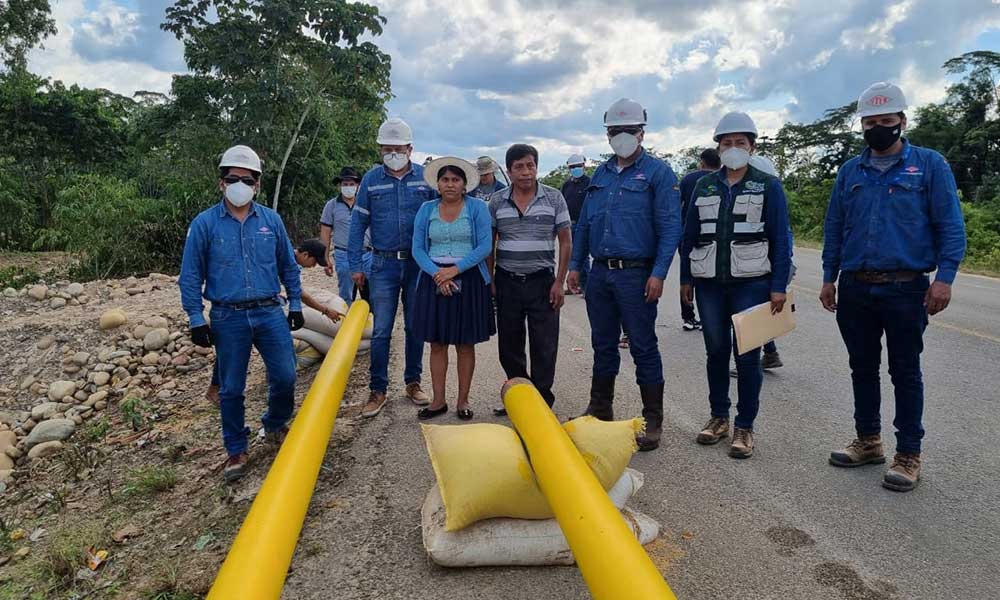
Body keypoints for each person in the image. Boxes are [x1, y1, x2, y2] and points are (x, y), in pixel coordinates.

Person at [821, 82, 966, 492]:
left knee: (905, 370)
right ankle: (868, 441)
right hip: (855, 286)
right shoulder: (851, 171)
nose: (878, 128)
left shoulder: (929, 165)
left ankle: (909, 454)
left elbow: (950, 224)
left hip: (906, 287)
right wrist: (829, 277)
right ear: (862, 125)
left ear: (902, 121)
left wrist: (945, 279)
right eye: (870, 122)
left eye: (886, 121)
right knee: (861, 368)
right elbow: (835, 227)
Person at [179, 145, 303, 482]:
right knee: (231, 388)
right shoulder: (204, 224)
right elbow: (190, 275)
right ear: (221, 183)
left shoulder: (271, 221)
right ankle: (236, 448)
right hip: (227, 317)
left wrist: (295, 305)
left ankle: (275, 423)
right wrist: (195, 318)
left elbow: (288, 267)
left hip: (268, 312)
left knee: (286, 375)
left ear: (257, 185)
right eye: (232, 178)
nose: (239, 185)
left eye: (246, 180)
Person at [567, 98, 682, 451]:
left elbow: (670, 226)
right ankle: (600, 407)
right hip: (600, 273)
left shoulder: (659, 174)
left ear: (642, 132)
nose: (621, 137)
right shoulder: (600, 174)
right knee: (603, 344)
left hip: (637, 274)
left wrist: (659, 272)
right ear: (607, 135)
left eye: (628, 130)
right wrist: (575, 265)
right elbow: (585, 223)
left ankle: (652, 420)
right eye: (614, 131)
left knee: (643, 345)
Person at [679, 112, 792, 459]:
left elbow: (780, 238)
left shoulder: (767, 185)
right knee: (715, 351)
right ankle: (718, 417)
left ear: (752, 146)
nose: (732, 148)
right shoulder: (704, 184)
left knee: (747, 356)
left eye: (739, 143)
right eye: (726, 143)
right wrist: (685, 278)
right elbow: (690, 234)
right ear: (718, 147)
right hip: (710, 284)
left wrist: (778, 285)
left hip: (753, 284)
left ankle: (745, 426)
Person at [349, 118, 435, 417]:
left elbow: (441, 216)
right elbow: (358, 223)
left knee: (415, 327)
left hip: (418, 264)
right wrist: (356, 264)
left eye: (398, 149)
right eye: (387, 149)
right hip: (382, 264)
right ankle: (378, 390)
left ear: (410, 149)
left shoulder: (426, 178)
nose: (392, 154)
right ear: (380, 149)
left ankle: (413, 382)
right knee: (382, 330)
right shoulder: (371, 181)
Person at [205, 238, 347, 403]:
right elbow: (301, 294)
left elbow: (296, 290)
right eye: (315, 262)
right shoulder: (282, 258)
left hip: (264, 307)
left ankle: (274, 379)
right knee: (231, 348)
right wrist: (324, 310)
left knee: (272, 342)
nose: (314, 266)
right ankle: (215, 388)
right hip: (240, 305)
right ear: (306, 255)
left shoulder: (290, 261)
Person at [489, 144, 572, 415]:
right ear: (510, 171)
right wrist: (490, 278)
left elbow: (566, 241)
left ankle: (542, 401)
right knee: (509, 346)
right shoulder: (498, 201)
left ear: (537, 166)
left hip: (542, 282)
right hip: (507, 281)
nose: (526, 172)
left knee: (544, 345)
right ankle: (520, 396)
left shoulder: (554, 197)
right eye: (519, 167)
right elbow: (490, 242)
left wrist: (559, 282)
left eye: (530, 165)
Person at [411, 157, 496, 420]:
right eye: (445, 179)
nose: (450, 184)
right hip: (433, 278)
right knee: (437, 343)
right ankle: (438, 401)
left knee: (464, 343)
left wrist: (455, 270)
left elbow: (484, 246)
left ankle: (463, 401)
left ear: (464, 184)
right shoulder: (426, 209)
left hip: (468, 280)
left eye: (455, 180)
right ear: (438, 184)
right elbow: (417, 248)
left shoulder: (478, 208)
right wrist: (439, 274)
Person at [676, 148, 721, 331]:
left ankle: (688, 317)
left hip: (690, 236)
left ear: (702, 162)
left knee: (688, 276)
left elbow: (678, 207)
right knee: (710, 279)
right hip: (716, 239)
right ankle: (710, 318)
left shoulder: (687, 179)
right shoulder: (723, 179)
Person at [320, 167, 371, 305]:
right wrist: (325, 259)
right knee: (346, 296)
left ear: (358, 185)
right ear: (340, 186)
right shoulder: (331, 206)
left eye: (351, 184)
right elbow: (325, 232)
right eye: (345, 184)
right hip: (343, 255)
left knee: (372, 295)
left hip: (366, 254)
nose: (348, 187)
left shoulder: (366, 203)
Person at [561, 153, 590, 295]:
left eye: (578, 166)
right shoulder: (566, 185)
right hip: (569, 225)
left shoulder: (590, 183)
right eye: (573, 167)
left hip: (583, 225)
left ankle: (586, 287)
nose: (576, 169)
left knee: (582, 257)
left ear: (584, 166)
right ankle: (574, 285)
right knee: (570, 257)